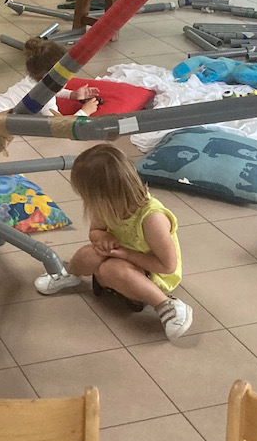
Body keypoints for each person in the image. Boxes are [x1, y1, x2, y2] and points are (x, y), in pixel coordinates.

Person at [44, 143, 193, 339]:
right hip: (120, 256)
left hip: (153, 273)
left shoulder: (152, 219)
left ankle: (167, 305)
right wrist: (103, 237)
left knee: (110, 269)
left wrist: (126, 254)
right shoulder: (106, 207)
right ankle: (70, 274)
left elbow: (167, 266)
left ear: (104, 195)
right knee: (88, 254)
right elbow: (95, 231)